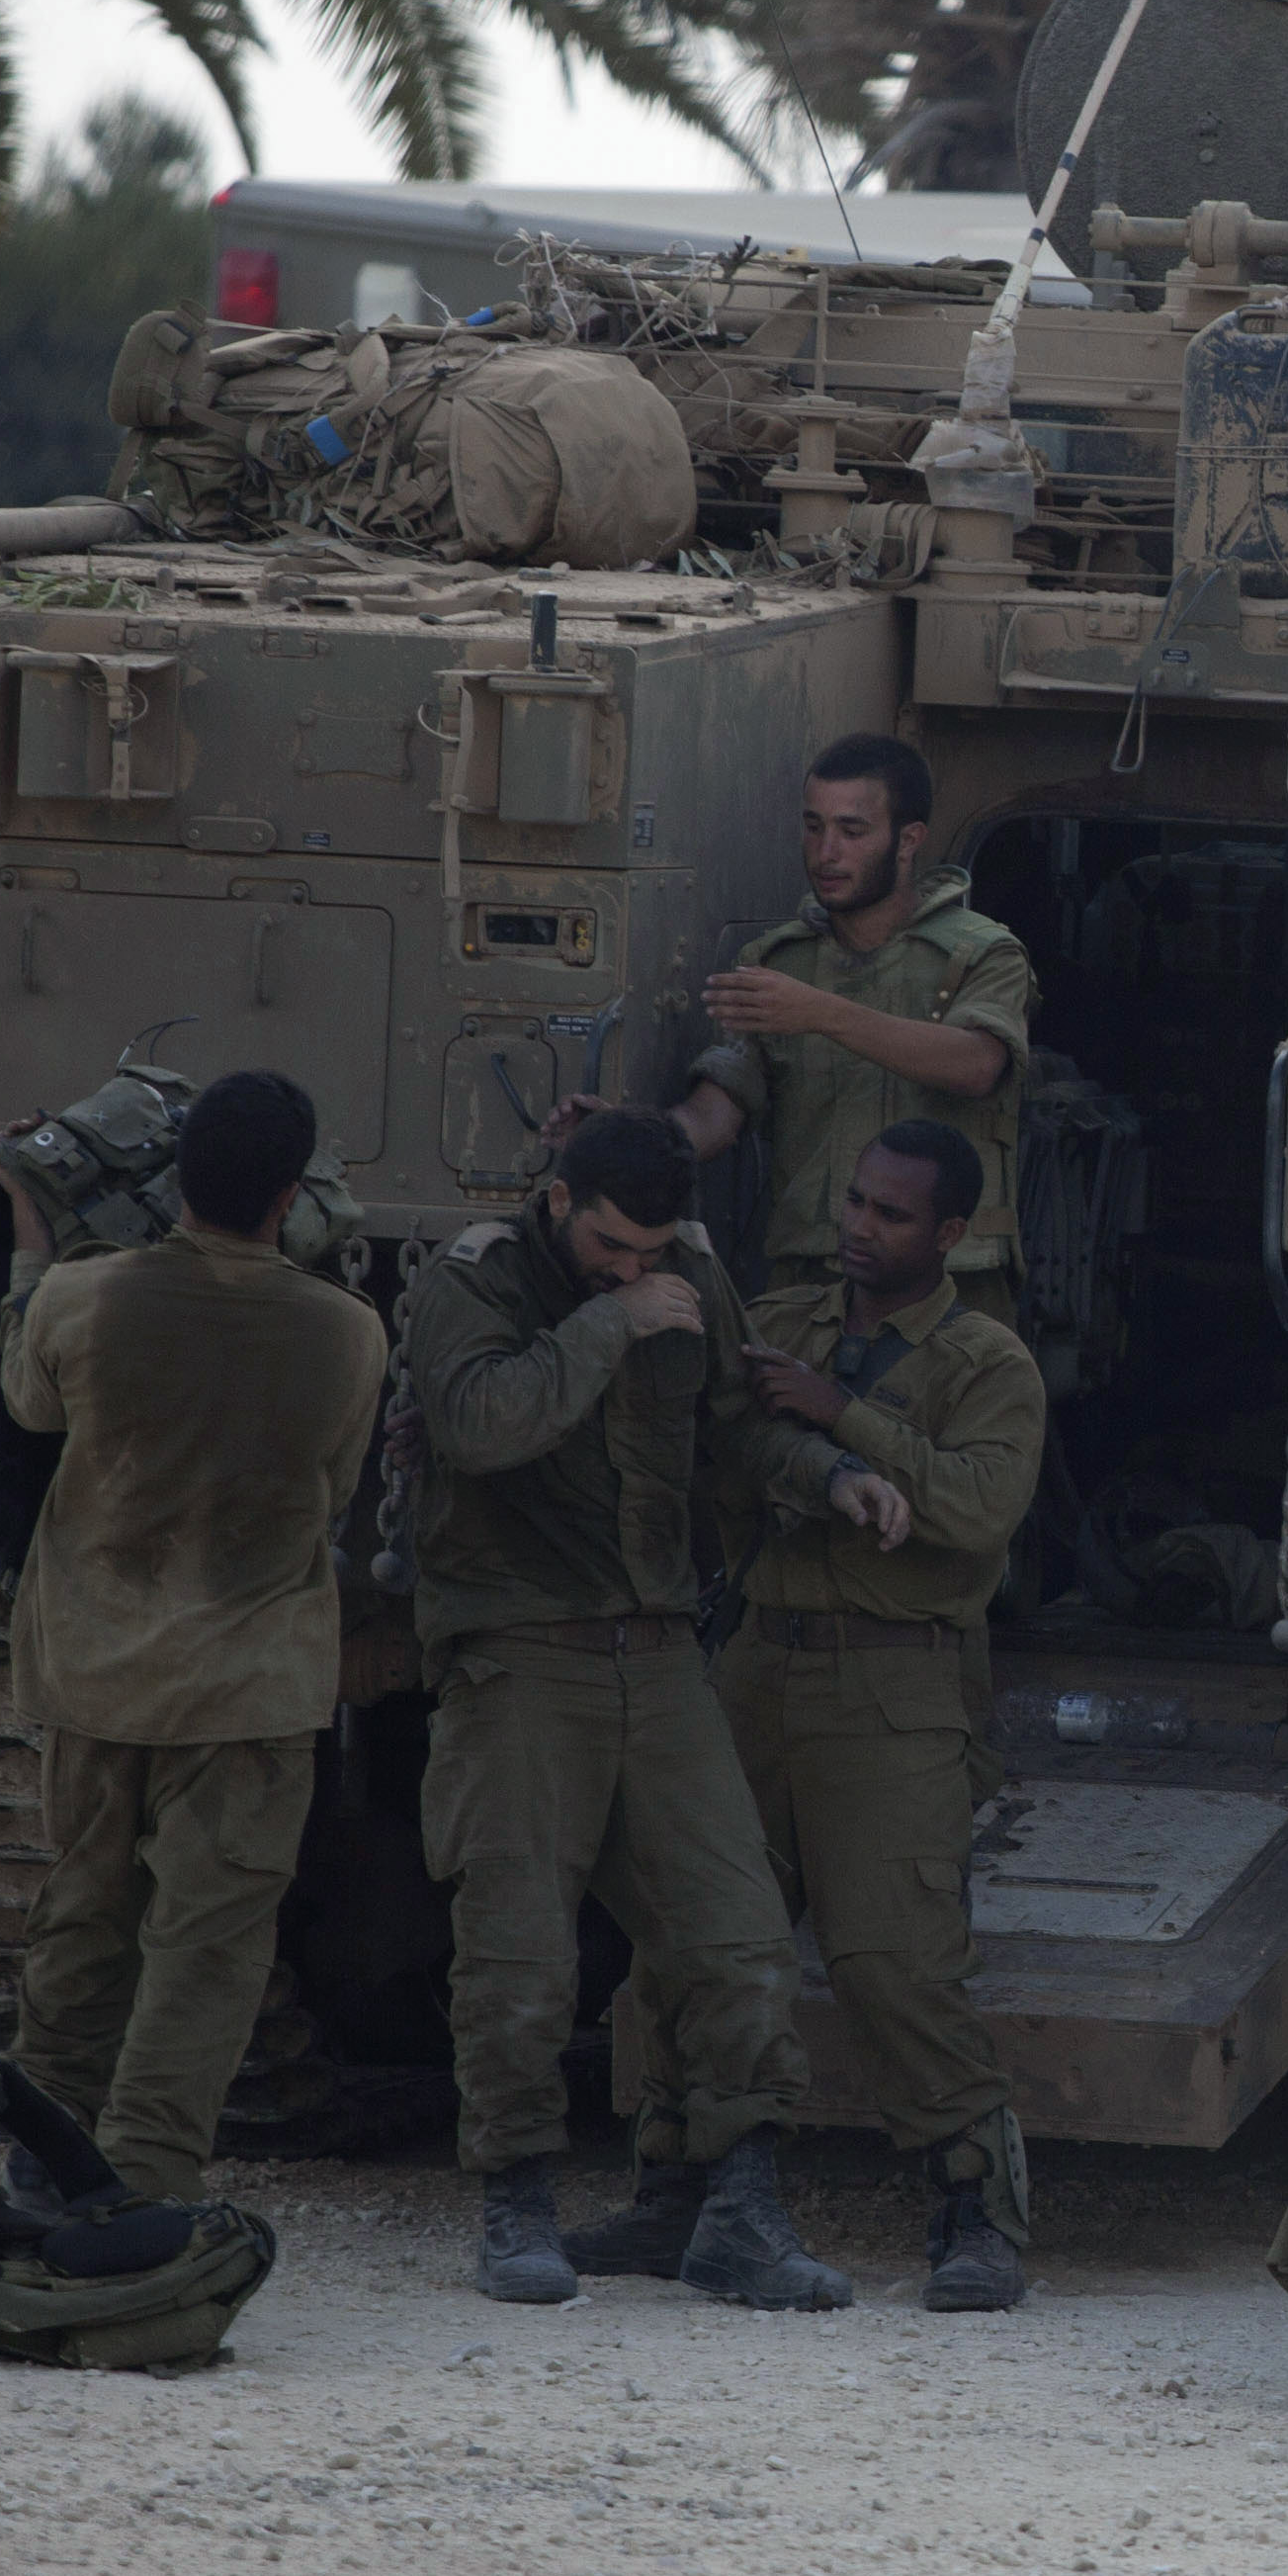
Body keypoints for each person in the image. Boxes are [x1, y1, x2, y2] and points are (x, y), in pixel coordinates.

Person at [404, 1106, 906, 2310]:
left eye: (653, 1250)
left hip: (661, 1648)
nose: (638, 1268)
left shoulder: (689, 1266)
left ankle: (739, 2208)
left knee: (734, 1934)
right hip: (521, 1650)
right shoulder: (476, 1279)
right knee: (520, 1950)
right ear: (559, 1197)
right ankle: (516, 2200)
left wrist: (832, 1472)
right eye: (614, 1245)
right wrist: (606, 1322)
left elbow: (734, 1425)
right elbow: (480, 1425)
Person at [630, 1120, 1045, 2313]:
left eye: (893, 1213)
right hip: (756, 1663)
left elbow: (974, 1505)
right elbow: (724, 1439)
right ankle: (679, 2185)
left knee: (894, 1958)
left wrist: (841, 1416)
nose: (862, 1227)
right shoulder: (790, 1318)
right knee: (699, 1933)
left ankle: (975, 2210)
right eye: (856, 1202)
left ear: (950, 1234)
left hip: (893, 1682)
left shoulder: (985, 1359)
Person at [0, 1071, 385, 2201]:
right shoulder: (346, 1334)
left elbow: (27, 1403)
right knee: (205, 1952)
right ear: (290, 1195)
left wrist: (27, 1228)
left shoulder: (82, 1299)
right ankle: (148, 2181)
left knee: (81, 1920)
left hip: (96, 1669)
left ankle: (40, 2151)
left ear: (180, 1179)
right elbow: (340, 1485)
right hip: (248, 1691)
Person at [561, 734, 1034, 1315]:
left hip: (953, 1283)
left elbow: (977, 1064)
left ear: (909, 840)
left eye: (851, 831)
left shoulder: (981, 954)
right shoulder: (777, 964)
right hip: (811, 1282)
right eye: (813, 827)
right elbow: (716, 1114)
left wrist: (820, 1013)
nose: (825, 852)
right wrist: (627, 1141)